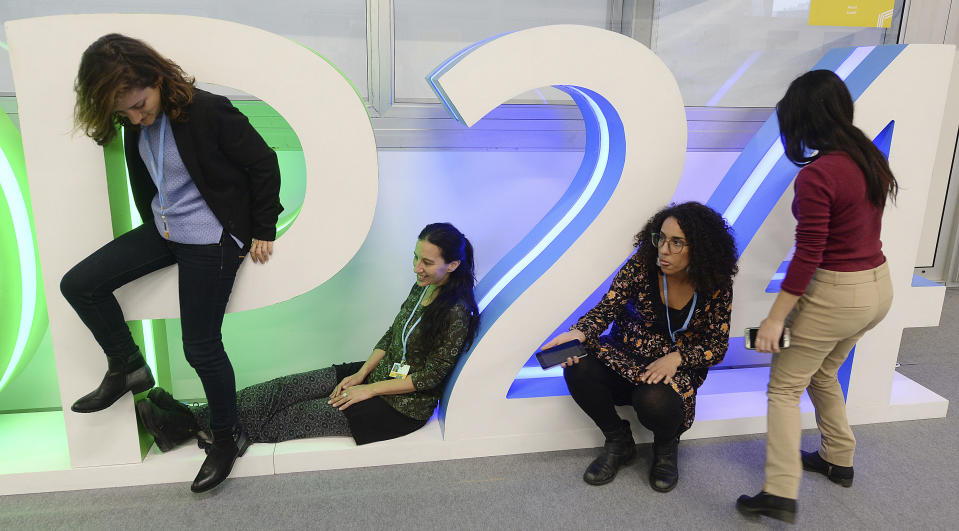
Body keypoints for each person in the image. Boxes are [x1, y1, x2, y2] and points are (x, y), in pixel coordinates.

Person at [61, 34, 282, 492]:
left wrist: (262, 228)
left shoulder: (209, 110)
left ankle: (227, 436)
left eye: (140, 105)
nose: (136, 118)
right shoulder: (131, 121)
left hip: (212, 238)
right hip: (166, 231)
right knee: (79, 284)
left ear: (157, 79)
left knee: (200, 347)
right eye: (125, 114)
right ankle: (127, 366)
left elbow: (263, 161)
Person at [136, 223, 479, 474]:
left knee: (288, 418)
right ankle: (186, 419)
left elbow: (430, 377)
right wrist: (361, 373)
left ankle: (185, 424)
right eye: (416, 257)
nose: (417, 268)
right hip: (377, 373)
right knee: (282, 389)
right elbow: (393, 335)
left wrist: (368, 390)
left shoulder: (456, 312)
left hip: (399, 407)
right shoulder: (423, 286)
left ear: (452, 265)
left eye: (427, 263)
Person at [737, 70, 897, 524]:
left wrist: (775, 319)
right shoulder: (867, 156)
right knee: (824, 372)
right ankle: (838, 457)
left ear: (803, 118)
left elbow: (809, 254)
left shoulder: (820, 173)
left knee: (784, 388)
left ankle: (779, 491)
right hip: (877, 288)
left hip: (837, 293)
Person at [543, 202, 738, 492]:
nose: (663, 249)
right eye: (660, 238)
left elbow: (717, 345)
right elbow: (608, 306)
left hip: (672, 370)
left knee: (653, 399)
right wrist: (579, 333)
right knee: (577, 363)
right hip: (624, 353)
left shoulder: (715, 285)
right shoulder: (642, 265)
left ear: (700, 248)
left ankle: (666, 448)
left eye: (676, 243)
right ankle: (618, 441)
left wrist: (678, 358)